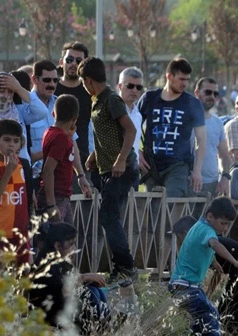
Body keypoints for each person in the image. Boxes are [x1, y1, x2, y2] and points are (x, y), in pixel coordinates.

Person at [78, 57, 138, 282]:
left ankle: (126, 268)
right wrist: (96, 155)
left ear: (88, 80)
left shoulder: (112, 99)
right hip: (107, 168)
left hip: (122, 169)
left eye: (83, 82)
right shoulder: (97, 99)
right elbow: (107, 132)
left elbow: (130, 131)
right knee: (110, 217)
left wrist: (121, 160)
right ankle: (121, 268)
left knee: (108, 216)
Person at [168, 197, 238, 336]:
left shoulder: (197, 226)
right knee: (211, 316)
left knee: (200, 322)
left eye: (227, 225)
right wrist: (236, 263)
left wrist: (215, 263)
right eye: (223, 223)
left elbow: (201, 248)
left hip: (180, 285)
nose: (224, 229)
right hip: (187, 287)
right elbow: (215, 244)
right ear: (210, 216)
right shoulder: (208, 231)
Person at [137, 58, 207, 197]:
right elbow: (133, 126)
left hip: (178, 166)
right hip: (151, 166)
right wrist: (137, 153)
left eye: (187, 79)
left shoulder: (192, 103)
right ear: (169, 76)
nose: (185, 83)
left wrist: (197, 171)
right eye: (181, 79)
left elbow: (202, 140)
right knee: (153, 210)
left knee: (172, 204)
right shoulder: (149, 98)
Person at [29, 222, 110, 332]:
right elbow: (62, 290)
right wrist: (84, 278)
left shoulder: (61, 261)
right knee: (90, 295)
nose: (74, 248)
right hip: (49, 318)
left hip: (60, 309)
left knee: (95, 292)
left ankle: (102, 328)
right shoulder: (45, 266)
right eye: (71, 244)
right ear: (57, 246)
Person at [0, 119, 30, 268]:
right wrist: (8, 171)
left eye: (16, 141)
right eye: (7, 140)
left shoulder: (24, 165)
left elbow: (28, 196)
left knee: (23, 274)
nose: (11, 145)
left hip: (21, 231)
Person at [38, 94, 92, 225]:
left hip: (63, 197)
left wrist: (80, 175)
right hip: (56, 197)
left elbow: (72, 150)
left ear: (53, 114)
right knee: (59, 240)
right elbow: (48, 171)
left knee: (68, 239)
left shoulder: (59, 134)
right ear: (75, 118)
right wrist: (51, 205)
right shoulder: (59, 138)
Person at [55, 42, 94, 176]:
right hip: (54, 159)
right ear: (61, 62)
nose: (73, 64)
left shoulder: (90, 91)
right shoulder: (51, 88)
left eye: (79, 61)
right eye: (69, 60)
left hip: (83, 161)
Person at [193, 77, 232, 196]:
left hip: (211, 184)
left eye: (215, 93)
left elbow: (224, 155)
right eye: (208, 92)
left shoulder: (218, 123)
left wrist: (225, 177)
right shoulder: (185, 119)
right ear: (197, 93)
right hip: (189, 182)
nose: (212, 96)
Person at [117, 67, 144, 171]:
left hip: (133, 169)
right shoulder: (111, 110)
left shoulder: (138, 114)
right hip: (115, 168)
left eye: (138, 87)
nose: (134, 90)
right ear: (120, 86)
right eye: (130, 86)